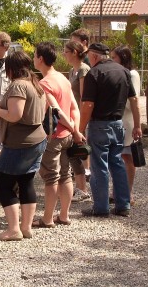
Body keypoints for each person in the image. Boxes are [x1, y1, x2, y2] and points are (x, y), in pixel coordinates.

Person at [79, 43, 142, 218]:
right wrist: (137, 124)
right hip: (118, 124)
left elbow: (88, 104)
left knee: (99, 167)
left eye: (88, 56)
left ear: (93, 56)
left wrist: (81, 128)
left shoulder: (94, 73)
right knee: (117, 163)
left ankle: (101, 207)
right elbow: (134, 100)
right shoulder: (124, 71)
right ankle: (123, 205)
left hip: (100, 125)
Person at [0, 51, 47, 241]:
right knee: (26, 180)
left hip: (19, 142)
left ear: (11, 69)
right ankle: (26, 227)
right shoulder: (36, 84)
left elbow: (15, 115)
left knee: (3, 182)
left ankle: (14, 229)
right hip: (38, 140)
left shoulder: (18, 86)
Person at [32, 42, 83, 228]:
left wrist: (72, 128)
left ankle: (46, 219)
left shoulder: (44, 83)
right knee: (65, 175)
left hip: (54, 136)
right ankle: (64, 215)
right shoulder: (63, 79)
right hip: (68, 136)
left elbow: (56, 111)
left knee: (51, 177)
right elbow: (74, 108)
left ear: (41, 59)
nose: (33, 58)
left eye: (34, 55)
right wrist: (75, 130)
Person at [110, 45, 141, 202]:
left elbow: (133, 102)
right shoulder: (118, 73)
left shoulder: (132, 74)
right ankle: (117, 191)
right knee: (117, 158)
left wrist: (138, 125)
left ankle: (128, 192)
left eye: (114, 57)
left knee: (128, 159)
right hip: (117, 120)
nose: (112, 60)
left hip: (127, 121)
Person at [64, 40, 92, 202]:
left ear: (74, 52)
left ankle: (83, 189)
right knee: (73, 153)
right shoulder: (72, 71)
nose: (64, 55)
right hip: (71, 116)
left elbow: (83, 97)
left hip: (79, 117)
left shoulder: (83, 69)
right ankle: (81, 188)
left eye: (66, 52)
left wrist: (80, 125)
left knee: (77, 152)